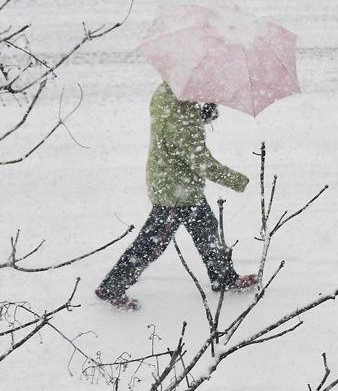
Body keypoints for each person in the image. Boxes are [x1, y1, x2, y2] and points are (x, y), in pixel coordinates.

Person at [95, 82, 257, 311]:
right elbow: (198, 159)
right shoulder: (180, 110)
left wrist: (200, 116)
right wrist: (236, 180)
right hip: (175, 191)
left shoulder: (167, 92)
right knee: (152, 243)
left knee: (207, 230)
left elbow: (174, 129)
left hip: (175, 182)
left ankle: (224, 278)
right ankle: (112, 287)